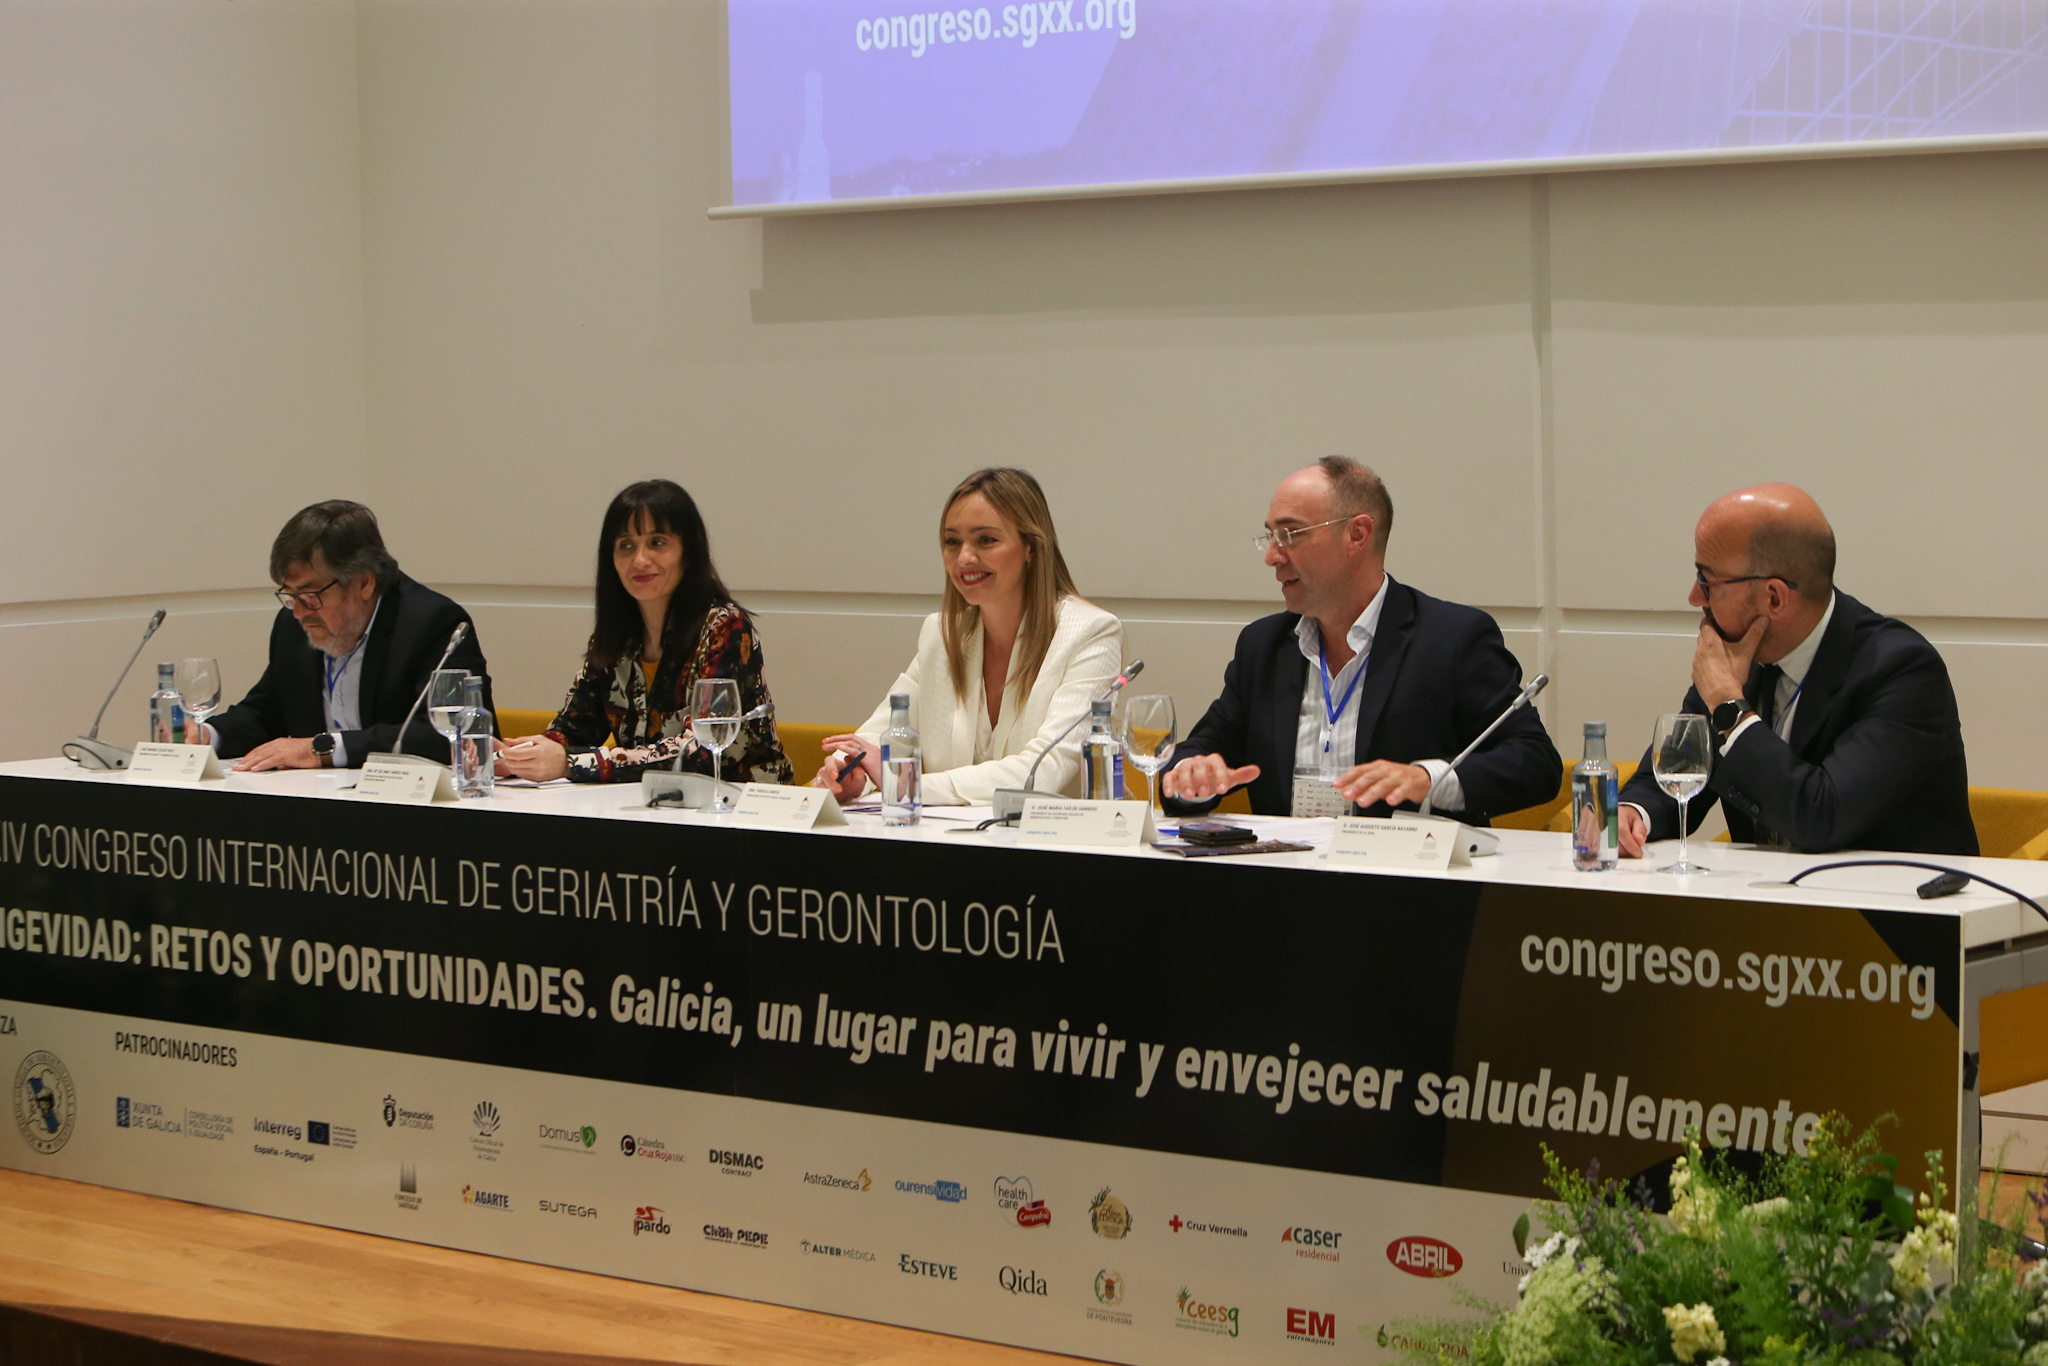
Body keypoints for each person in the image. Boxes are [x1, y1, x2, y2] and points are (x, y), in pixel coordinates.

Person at [1161, 457, 1559, 820]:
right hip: (1284, 869)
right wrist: (1190, 775)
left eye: (1291, 534)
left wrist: (1428, 779)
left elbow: (1535, 762)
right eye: (1271, 536)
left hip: (1400, 870)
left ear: (1357, 534)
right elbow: (1199, 752)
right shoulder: (1263, 646)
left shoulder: (1451, 639)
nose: (1272, 556)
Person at [1618, 484, 1974, 857]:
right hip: (1770, 893)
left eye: (1707, 582)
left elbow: (1820, 818)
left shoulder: (1903, 671)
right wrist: (1634, 812)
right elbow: (1676, 774)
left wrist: (1729, 708)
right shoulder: (1739, 656)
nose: (1694, 597)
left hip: (1890, 892)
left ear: (1773, 597)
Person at [811, 468, 1123, 805]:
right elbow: (880, 735)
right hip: (953, 836)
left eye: (986, 540)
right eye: (952, 542)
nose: (964, 558)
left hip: (1059, 835)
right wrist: (852, 773)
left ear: (1031, 547)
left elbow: (1045, 769)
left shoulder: (1090, 632)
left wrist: (909, 785)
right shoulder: (942, 634)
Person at [497, 480, 791, 785]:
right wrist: (519, 756)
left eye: (657, 543)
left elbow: (701, 751)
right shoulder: (616, 637)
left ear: (688, 552)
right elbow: (575, 728)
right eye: (626, 546)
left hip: (743, 803)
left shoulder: (725, 628)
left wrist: (572, 763)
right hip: (652, 803)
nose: (640, 560)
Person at [205, 500, 493, 770]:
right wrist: (207, 735)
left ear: (364, 583)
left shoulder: (433, 624)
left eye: (309, 595)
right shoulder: (294, 625)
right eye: (290, 595)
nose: (298, 612)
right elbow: (266, 713)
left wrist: (321, 749)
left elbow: (456, 733)